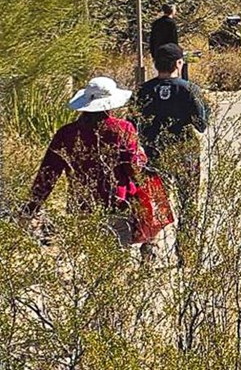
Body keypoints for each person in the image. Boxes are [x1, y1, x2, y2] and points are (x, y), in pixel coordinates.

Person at [20, 77, 147, 245]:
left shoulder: (66, 133)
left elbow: (48, 174)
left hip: (81, 206)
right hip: (118, 203)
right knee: (118, 259)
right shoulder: (122, 129)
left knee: (87, 258)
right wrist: (142, 159)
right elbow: (134, 168)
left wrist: (31, 207)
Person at [136, 43, 208, 257]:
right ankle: (186, 252)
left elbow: (133, 123)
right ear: (179, 63)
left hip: (153, 153)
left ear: (155, 64)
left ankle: (150, 248)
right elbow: (201, 124)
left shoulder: (143, 90)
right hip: (184, 152)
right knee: (188, 202)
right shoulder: (189, 89)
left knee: (153, 203)